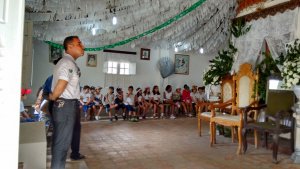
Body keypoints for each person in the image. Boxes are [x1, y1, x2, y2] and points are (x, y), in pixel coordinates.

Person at [49, 36, 85, 169]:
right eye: (79, 44)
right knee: (62, 146)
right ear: (70, 47)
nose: (83, 46)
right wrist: (54, 98)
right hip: (65, 106)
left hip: (67, 105)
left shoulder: (68, 62)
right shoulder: (67, 63)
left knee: (61, 144)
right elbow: (62, 84)